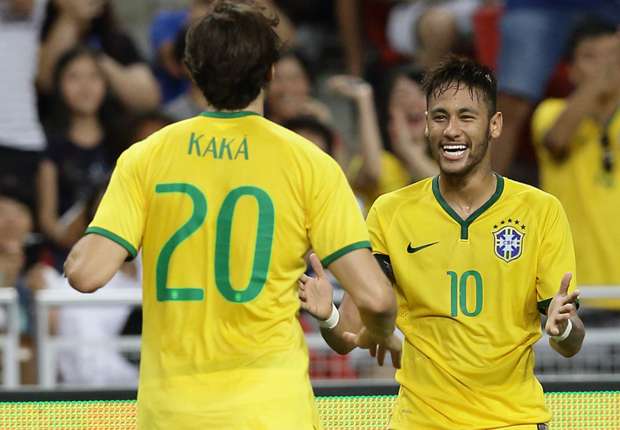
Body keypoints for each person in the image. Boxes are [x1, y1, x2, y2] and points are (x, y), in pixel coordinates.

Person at [63, 2, 399, 429]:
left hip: (173, 415)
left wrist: (84, 245)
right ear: (270, 72)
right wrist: (380, 332)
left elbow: (86, 274)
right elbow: (375, 299)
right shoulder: (310, 164)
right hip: (273, 412)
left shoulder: (145, 158)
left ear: (191, 70)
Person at [299, 56, 585, 429]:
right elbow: (349, 334)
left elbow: (570, 342)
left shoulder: (540, 210)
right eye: (439, 117)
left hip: (513, 421)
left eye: (466, 117)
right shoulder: (391, 212)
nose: (451, 130)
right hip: (421, 422)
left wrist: (564, 328)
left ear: (494, 124)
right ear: (426, 125)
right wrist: (327, 317)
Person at [532, 17, 620, 315]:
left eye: (612, 55)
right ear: (570, 70)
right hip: (574, 296)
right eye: (591, 57)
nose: (606, 65)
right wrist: (603, 78)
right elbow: (557, 140)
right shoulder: (549, 112)